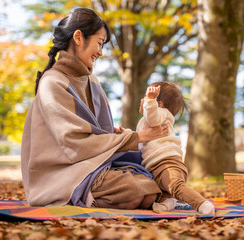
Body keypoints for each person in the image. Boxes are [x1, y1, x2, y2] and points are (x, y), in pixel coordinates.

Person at [21, 8, 169, 209]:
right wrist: (137, 137)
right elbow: (74, 142)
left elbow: (97, 132)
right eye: (99, 43)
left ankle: (94, 196)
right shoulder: (52, 83)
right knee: (135, 193)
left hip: (94, 163)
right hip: (64, 172)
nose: (101, 51)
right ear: (78, 37)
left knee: (149, 190)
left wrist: (117, 134)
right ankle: (77, 197)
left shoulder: (92, 81)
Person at [136, 82, 215, 214]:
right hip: (154, 165)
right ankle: (168, 203)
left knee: (175, 186)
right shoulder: (146, 119)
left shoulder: (161, 113)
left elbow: (152, 119)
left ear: (159, 104)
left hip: (167, 162)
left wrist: (150, 101)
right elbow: (140, 139)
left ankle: (202, 204)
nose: (142, 100)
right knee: (163, 193)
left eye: (146, 96)